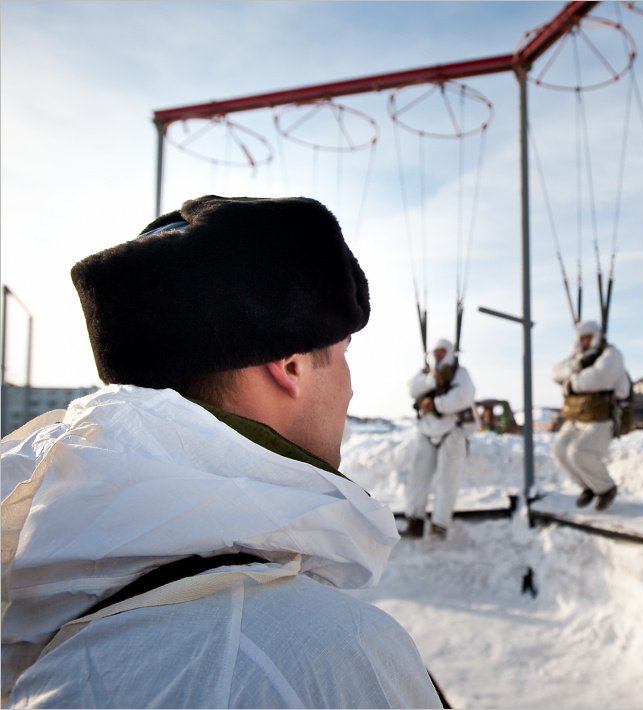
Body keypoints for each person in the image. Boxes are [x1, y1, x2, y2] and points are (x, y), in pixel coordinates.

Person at [0, 196, 442, 708]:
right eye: (343, 355)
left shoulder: (35, 581)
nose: (349, 390)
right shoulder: (336, 657)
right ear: (290, 365)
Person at [551, 320, 631, 511]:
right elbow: (556, 372)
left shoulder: (612, 355)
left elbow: (598, 379)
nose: (585, 342)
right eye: (582, 338)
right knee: (560, 451)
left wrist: (572, 381)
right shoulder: (578, 357)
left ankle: (606, 488)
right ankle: (588, 486)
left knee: (579, 452)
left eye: (588, 337)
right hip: (578, 415)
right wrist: (576, 367)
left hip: (602, 417)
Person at [401, 338, 476, 540]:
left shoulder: (461, 373)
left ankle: (439, 526)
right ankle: (414, 523)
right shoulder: (426, 373)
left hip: (452, 432)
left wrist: (435, 405)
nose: (439, 356)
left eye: (443, 352)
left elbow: (463, 397)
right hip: (426, 431)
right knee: (418, 478)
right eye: (437, 352)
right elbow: (411, 389)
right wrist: (430, 381)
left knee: (447, 481)